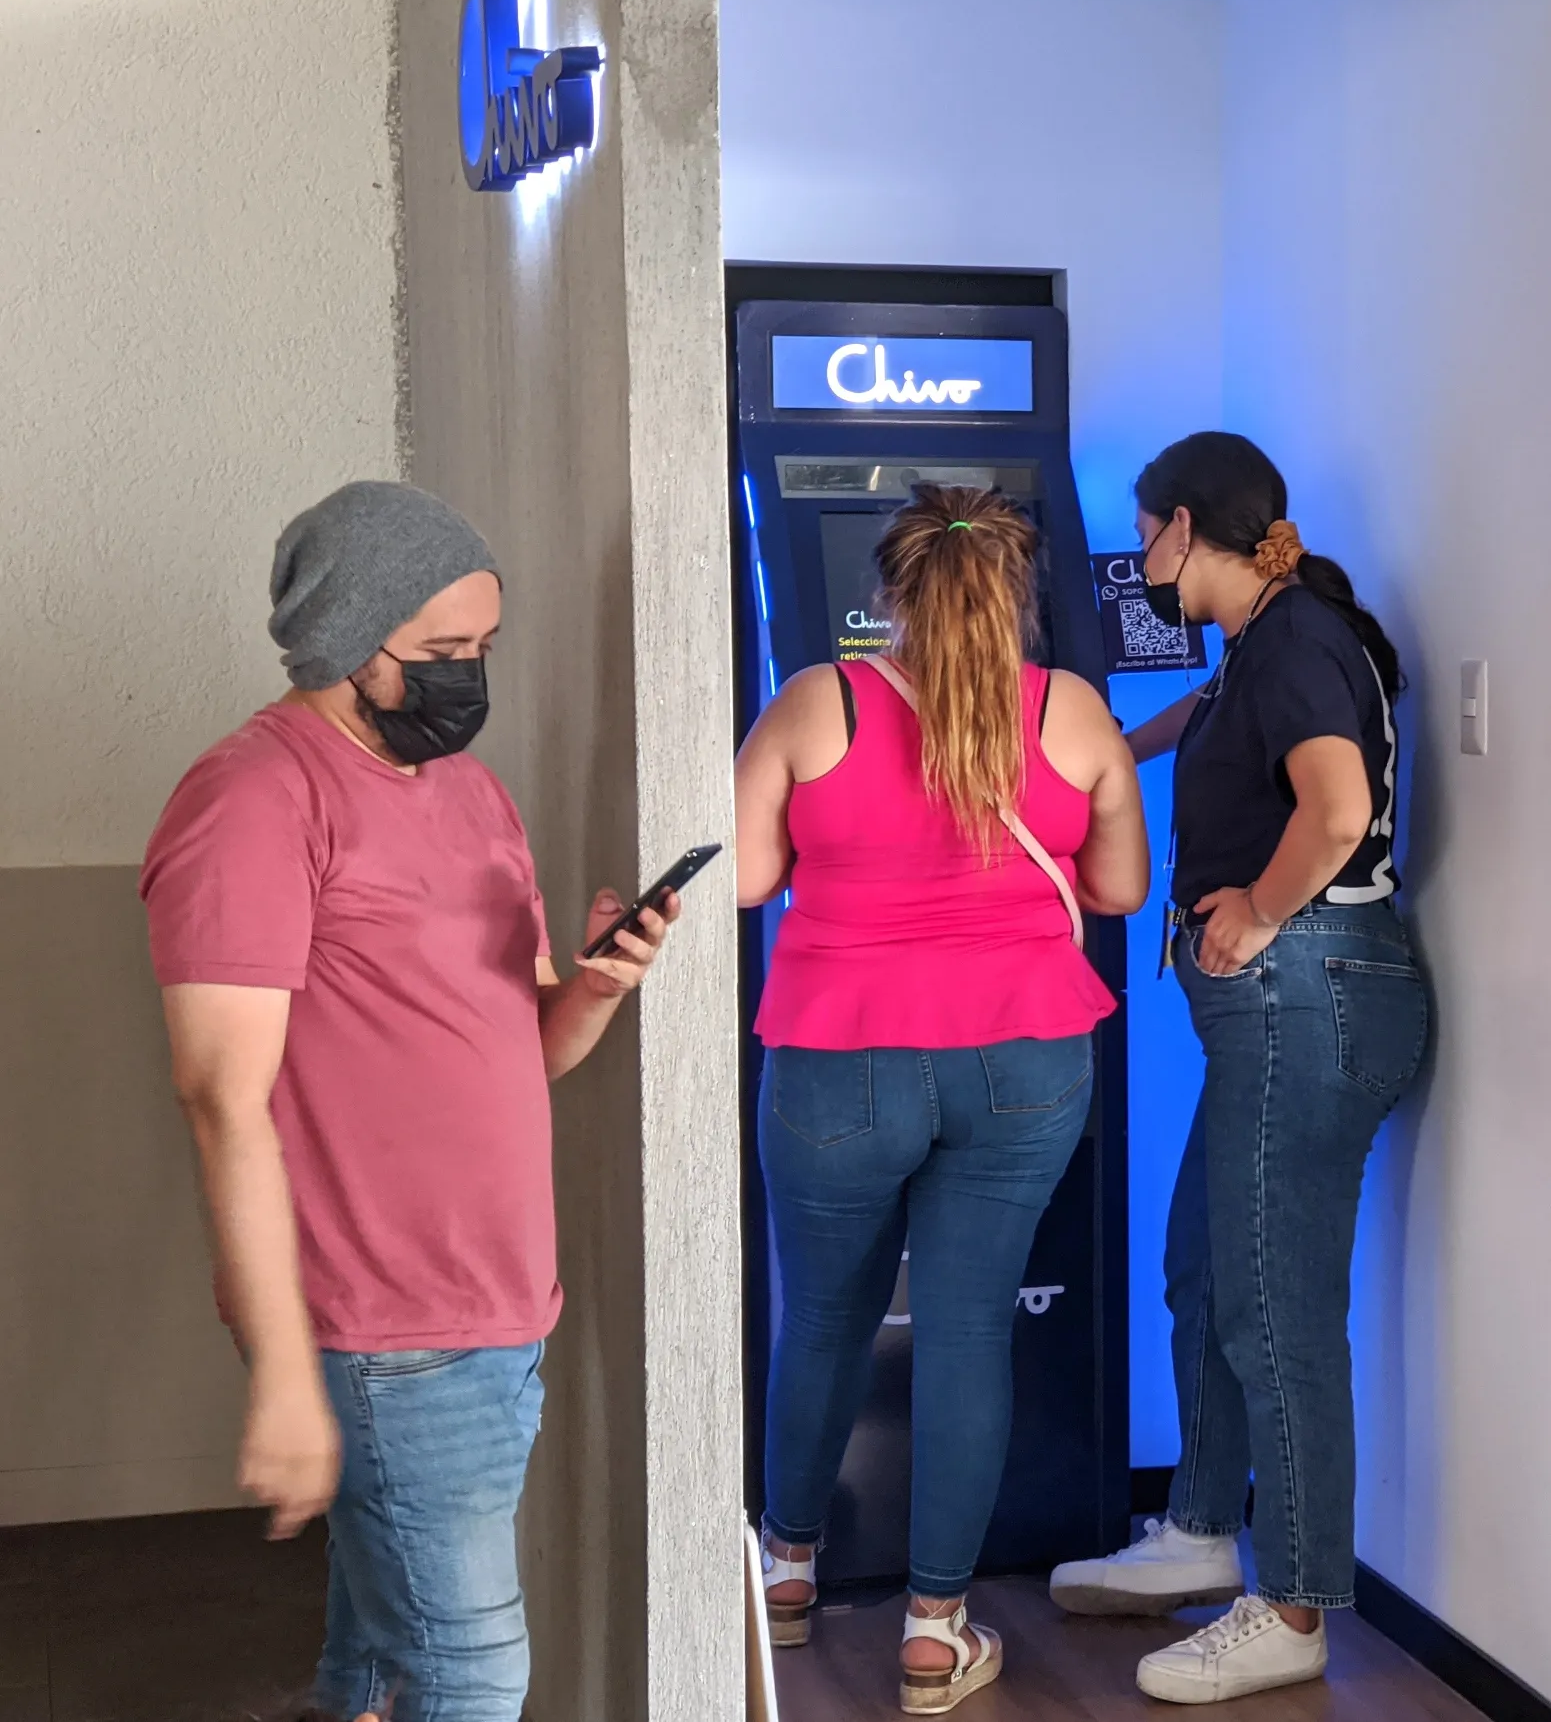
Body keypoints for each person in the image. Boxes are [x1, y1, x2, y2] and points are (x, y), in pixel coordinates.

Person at [139, 482, 681, 1722]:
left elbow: (514, 1049)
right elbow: (221, 1099)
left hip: (496, 1306)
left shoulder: (470, 795)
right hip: (385, 1328)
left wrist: (597, 989)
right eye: (441, 653)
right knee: (470, 1672)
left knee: (383, 1667)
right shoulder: (253, 800)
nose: (469, 679)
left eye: (484, 649)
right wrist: (283, 1374)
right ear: (345, 640)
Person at [732, 483, 1147, 1715]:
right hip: (1024, 1057)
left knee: (821, 1320)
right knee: (968, 1329)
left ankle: (787, 1579)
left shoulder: (820, 699)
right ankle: (934, 1629)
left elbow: (751, 873)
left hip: (837, 1052)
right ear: (1018, 593)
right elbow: (1118, 887)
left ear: (886, 596)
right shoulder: (1072, 713)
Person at [1048, 433, 1429, 1705]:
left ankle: (1297, 1603)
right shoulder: (1263, 642)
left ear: (1182, 527)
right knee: (1207, 1264)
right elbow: (1191, 724)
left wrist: (1256, 911)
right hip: (1289, 1000)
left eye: (1146, 530)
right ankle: (1204, 1527)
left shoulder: (1300, 638)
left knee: (1274, 1309)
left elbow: (1332, 806)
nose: (1139, 556)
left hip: (1308, 987)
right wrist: (1085, 742)